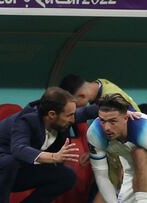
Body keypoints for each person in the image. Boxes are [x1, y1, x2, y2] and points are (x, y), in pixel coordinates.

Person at [0, 87, 98, 203]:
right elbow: (19, 149)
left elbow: (85, 112)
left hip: (17, 169)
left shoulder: (60, 116)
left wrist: (113, 105)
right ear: (52, 114)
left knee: (67, 176)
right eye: (69, 115)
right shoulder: (26, 121)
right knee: (9, 161)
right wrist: (54, 157)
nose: (73, 119)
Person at [87, 93, 147, 203]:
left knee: (140, 153)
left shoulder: (144, 128)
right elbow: (101, 176)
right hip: (133, 168)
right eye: (102, 120)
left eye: (113, 121)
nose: (106, 128)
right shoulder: (94, 132)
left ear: (126, 118)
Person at [60, 74, 141, 202]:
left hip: (129, 160)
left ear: (81, 96)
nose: (74, 107)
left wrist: (124, 166)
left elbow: (128, 134)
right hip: (116, 159)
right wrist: (94, 150)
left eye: (74, 103)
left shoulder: (111, 100)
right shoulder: (102, 84)